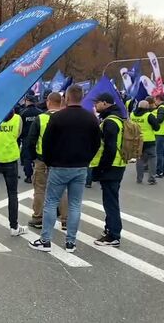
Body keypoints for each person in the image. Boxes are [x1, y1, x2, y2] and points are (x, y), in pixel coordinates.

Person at [29, 85, 100, 253]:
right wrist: (87, 158)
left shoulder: (58, 118)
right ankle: (70, 242)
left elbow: (46, 143)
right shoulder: (90, 118)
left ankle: (46, 240)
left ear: (66, 98)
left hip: (59, 166)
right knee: (75, 205)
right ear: (81, 97)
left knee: (51, 202)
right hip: (80, 166)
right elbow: (97, 142)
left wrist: (49, 161)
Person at [25, 92, 69, 230]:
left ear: (48, 102)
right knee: (61, 190)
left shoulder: (41, 118)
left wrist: (33, 157)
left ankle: (38, 217)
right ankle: (65, 220)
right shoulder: (66, 118)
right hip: (61, 160)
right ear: (61, 102)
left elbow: (31, 140)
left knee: (40, 189)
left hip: (43, 159)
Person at [91, 92, 128, 247]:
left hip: (111, 167)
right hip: (117, 164)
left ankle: (114, 234)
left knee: (110, 201)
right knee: (111, 199)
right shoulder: (116, 118)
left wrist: (101, 169)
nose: (95, 105)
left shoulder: (110, 121)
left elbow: (110, 148)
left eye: (97, 102)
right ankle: (110, 229)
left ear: (105, 103)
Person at [130, 100, 160, 185]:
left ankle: (139, 178)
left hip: (137, 140)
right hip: (149, 140)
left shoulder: (132, 115)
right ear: (147, 107)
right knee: (152, 158)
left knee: (139, 159)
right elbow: (157, 127)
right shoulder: (149, 115)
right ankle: (152, 179)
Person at [19, 93, 42, 183]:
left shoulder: (23, 112)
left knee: (27, 158)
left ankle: (28, 176)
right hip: (38, 138)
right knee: (38, 157)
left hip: (26, 138)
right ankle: (38, 175)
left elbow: (20, 126)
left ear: (27, 101)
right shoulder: (40, 112)